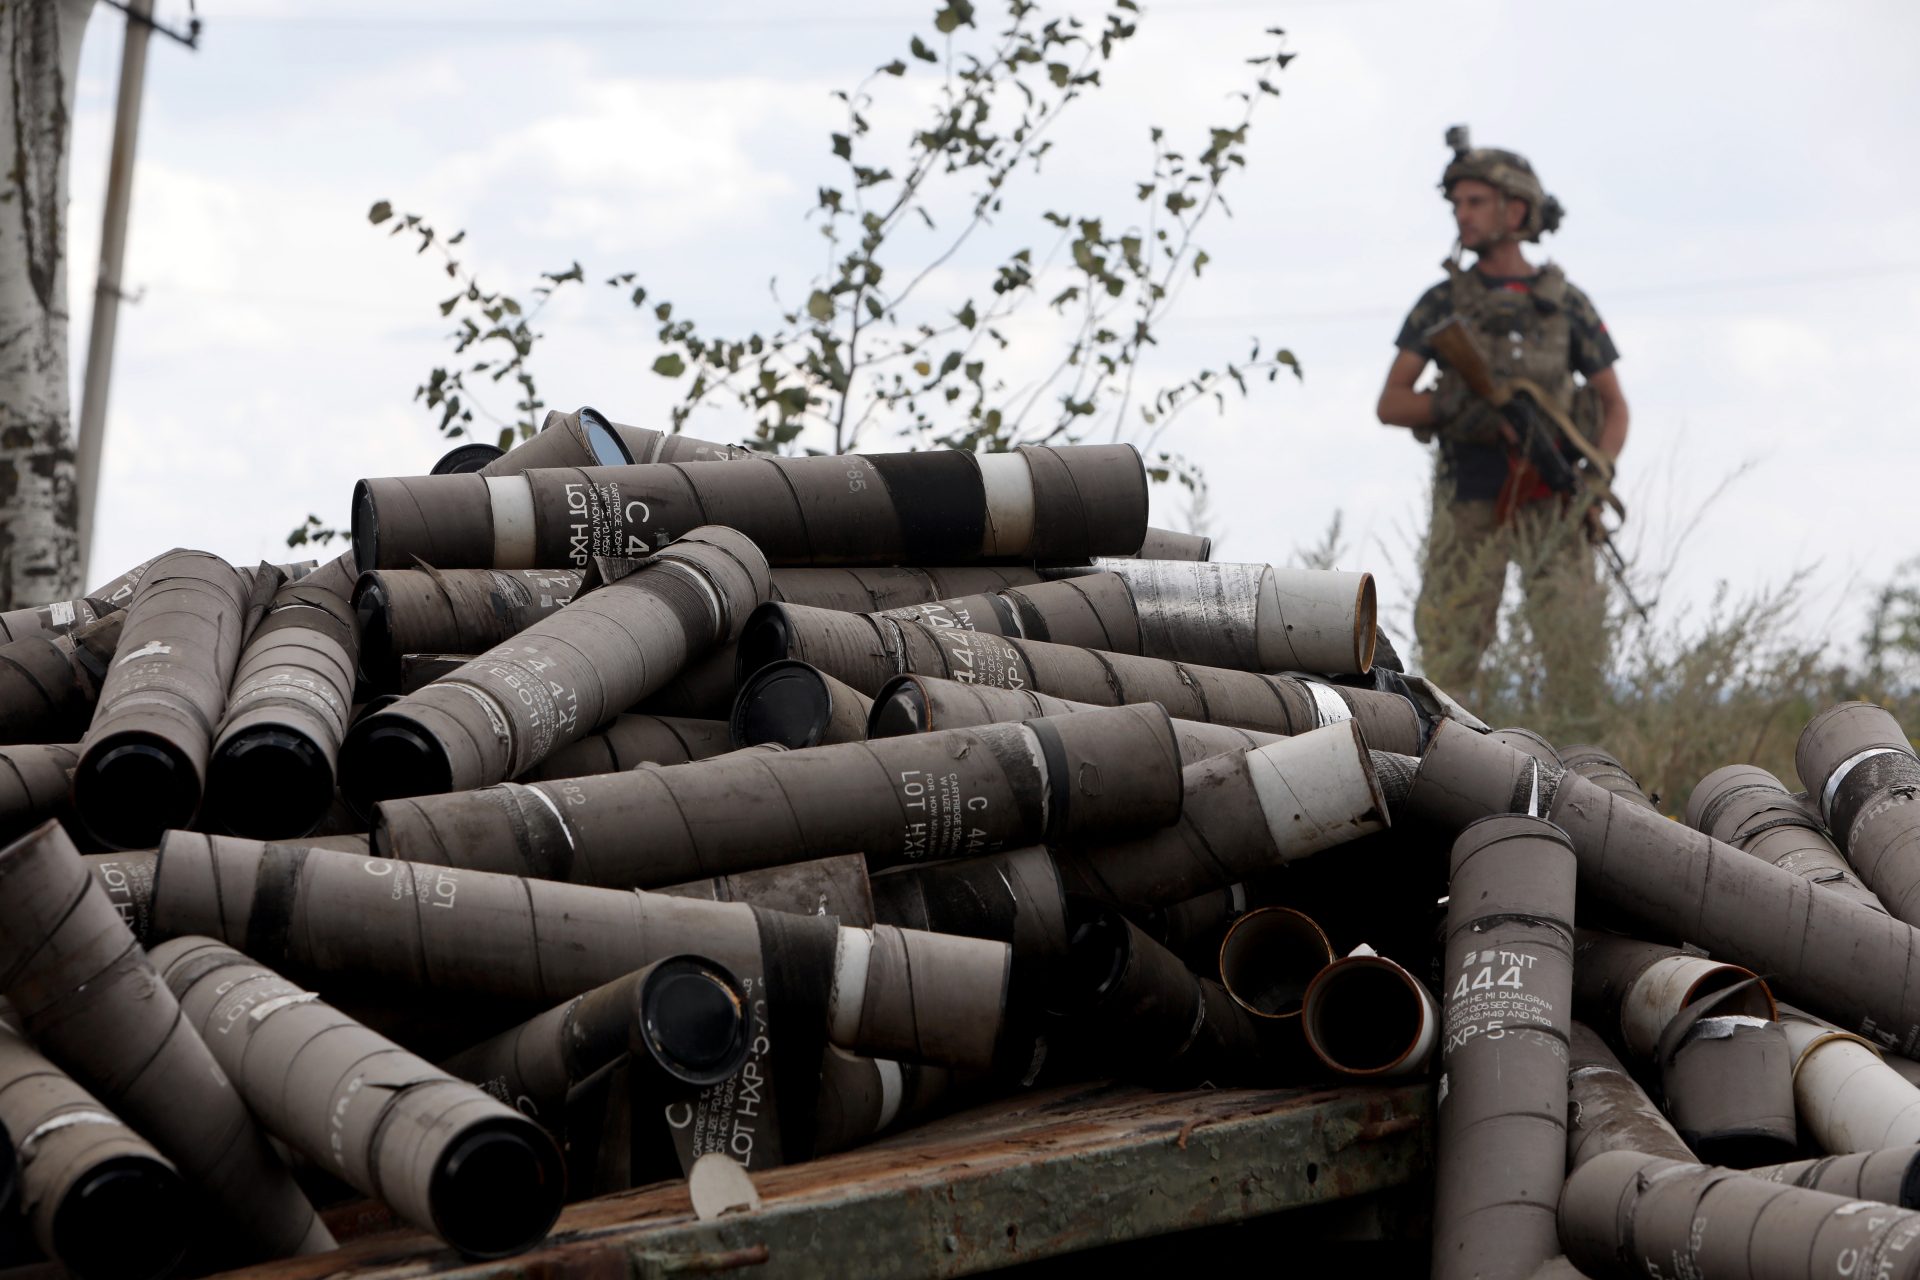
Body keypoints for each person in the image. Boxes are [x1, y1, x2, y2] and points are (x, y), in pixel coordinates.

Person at [1375, 127, 1629, 712]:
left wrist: (1597, 477)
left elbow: (1614, 405)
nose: (1461, 215)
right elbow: (1392, 402)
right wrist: (1470, 411)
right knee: (1449, 660)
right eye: (1456, 203)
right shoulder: (1444, 302)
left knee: (1574, 655)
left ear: (1515, 209)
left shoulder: (1565, 304)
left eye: (1475, 202)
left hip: (1552, 500)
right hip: (1471, 498)